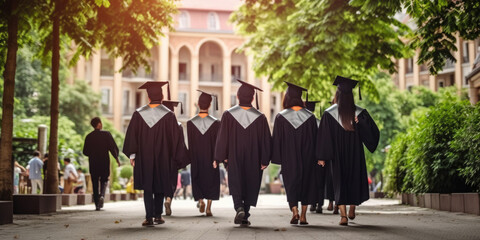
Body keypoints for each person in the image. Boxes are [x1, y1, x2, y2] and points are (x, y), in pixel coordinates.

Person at [123, 81, 188, 226]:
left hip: (144, 157)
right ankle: (158, 215)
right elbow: (176, 139)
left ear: (148, 96)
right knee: (159, 184)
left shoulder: (139, 114)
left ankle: (149, 217)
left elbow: (132, 136)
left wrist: (133, 155)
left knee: (148, 186)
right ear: (162, 95)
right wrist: (175, 158)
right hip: (163, 158)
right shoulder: (169, 116)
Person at [316, 76, 379, 226]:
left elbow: (324, 136)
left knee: (340, 182)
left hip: (338, 156)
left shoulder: (328, 114)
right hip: (355, 154)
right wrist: (362, 123)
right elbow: (373, 134)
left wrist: (322, 156)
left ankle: (343, 216)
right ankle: (352, 209)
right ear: (351, 95)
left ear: (337, 94)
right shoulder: (360, 113)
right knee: (354, 180)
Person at [214, 79, 271, 226]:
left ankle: (239, 207)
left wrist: (221, 156)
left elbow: (222, 138)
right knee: (250, 183)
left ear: (237, 97)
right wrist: (265, 159)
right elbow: (266, 140)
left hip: (235, 156)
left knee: (236, 180)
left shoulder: (228, 115)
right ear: (253, 98)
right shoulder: (261, 117)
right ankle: (245, 212)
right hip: (254, 157)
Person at [271, 82, 318, 225]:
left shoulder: (280, 117)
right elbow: (316, 139)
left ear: (288, 98)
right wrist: (319, 157)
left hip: (288, 157)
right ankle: (303, 216)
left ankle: (295, 212)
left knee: (291, 184)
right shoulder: (310, 117)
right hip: (308, 157)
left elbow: (276, 140)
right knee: (306, 184)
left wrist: (277, 158)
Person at [187, 90, 220, 216]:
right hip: (211, 159)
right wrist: (217, 158)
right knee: (211, 181)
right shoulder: (216, 123)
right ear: (210, 106)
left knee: (197, 179)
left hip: (196, 158)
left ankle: (200, 201)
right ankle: (209, 208)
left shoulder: (190, 123)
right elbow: (218, 143)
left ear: (198, 105)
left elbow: (190, 143)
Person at [306, 100, 337, 214]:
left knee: (311, 180)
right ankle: (319, 204)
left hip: (310, 157)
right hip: (321, 156)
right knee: (320, 180)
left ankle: (313, 204)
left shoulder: (306, 122)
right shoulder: (320, 122)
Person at [83, 117, 120, 210]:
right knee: (104, 180)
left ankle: (97, 205)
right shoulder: (106, 134)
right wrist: (116, 158)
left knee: (95, 182)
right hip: (104, 161)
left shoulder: (89, 136)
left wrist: (93, 153)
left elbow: (85, 152)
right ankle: (102, 195)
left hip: (93, 162)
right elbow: (113, 147)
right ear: (99, 124)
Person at [162, 100, 188, 216]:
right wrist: (180, 160)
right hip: (172, 160)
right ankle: (168, 200)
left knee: (161, 181)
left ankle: (161, 202)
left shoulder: (159, 124)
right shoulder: (178, 126)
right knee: (172, 182)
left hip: (161, 159)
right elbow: (181, 144)